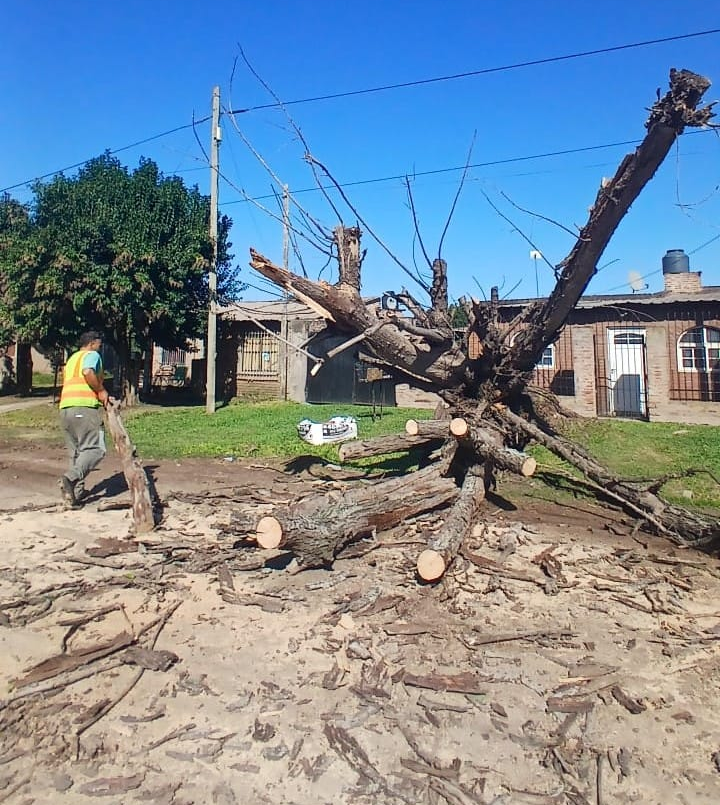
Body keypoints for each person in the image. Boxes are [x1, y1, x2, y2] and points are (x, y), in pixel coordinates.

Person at [58, 331, 113, 507]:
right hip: (84, 407)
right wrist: (101, 391)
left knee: (76, 453)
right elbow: (88, 372)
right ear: (92, 343)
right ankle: (70, 478)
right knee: (96, 449)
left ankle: (74, 495)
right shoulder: (91, 355)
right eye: (99, 344)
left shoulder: (73, 358)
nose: (100, 348)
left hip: (66, 409)